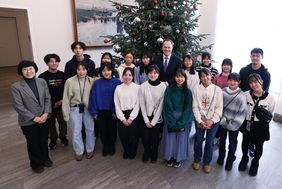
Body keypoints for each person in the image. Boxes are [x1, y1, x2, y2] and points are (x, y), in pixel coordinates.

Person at [11, 60, 53, 173]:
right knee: (33, 143)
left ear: (35, 69)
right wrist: (34, 118)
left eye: (30, 68)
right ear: (21, 71)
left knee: (43, 140)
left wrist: (46, 113)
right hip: (28, 121)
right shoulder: (16, 87)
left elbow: (47, 98)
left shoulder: (42, 81)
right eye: (25, 69)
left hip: (44, 117)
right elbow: (18, 106)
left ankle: (45, 158)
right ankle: (36, 163)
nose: (28, 71)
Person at [239, 73, 275, 176]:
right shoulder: (246, 94)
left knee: (259, 146)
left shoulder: (270, 98)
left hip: (261, 126)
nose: (253, 84)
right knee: (245, 142)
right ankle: (244, 158)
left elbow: (270, 111)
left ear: (261, 82)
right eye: (251, 82)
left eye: (256, 82)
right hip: (248, 123)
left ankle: (255, 162)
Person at [239, 48, 271, 157]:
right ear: (250, 56)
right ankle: (245, 150)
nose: (255, 58)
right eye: (253, 55)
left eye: (257, 56)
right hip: (245, 102)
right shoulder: (244, 70)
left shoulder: (266, 74)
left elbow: (265, 91)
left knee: (256, 132)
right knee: (245, 131)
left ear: (262, 57)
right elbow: (240, 86)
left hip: (257, 104)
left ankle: (252, 146)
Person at [192, 68, 223, 173]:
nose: (205, 78)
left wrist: (212, 120)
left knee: (209, 142)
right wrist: (200, 121)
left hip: (213, 121)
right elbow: (195, 107)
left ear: (211, 76)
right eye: (202, 76)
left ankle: (206, 162)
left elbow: (219, 108)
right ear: (200, 78)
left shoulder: (217, 90)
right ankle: (196, 159)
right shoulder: (196, 89)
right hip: (200, 119)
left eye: (207, 75)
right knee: (198, 140)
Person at [62, 61, 95, 161]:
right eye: (79, 69)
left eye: (84, 69)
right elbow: (66, 98)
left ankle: (90, 149)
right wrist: (66, 114)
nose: (81, 72)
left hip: (88, 108)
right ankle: (79, 151)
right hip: (74, 108)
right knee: (76, 131)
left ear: (87, 70)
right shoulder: (69, 81)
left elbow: (94, 97)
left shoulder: (91, 80)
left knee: (90, 129)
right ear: (76, 70)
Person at [160, 69, 193, 168]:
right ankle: (169, 157)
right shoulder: (169, 89)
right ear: (174, 78)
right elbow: (166, 105)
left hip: (183, 118)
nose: (180, 79)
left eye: (182, 76)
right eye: (177, 76)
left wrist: (182, 122)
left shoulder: (188, 91)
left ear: (185, 78)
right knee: (170, 139)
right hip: (170, 117)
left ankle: (178, 158)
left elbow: (188, 108)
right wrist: (171, 120)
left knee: (180, 139)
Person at [88, 64, 121, 156]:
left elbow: (119, 98)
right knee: (103, 129)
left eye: (108, 70)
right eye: (104, 71)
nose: (106, 72)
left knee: (112, 129)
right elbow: (93, 97)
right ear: (101, 72)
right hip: (101, 111)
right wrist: (94, 112)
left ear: (112, 71)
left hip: (112, 111)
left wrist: (115, 111)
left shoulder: (117, 82)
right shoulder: (97, 83)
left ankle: (112, 145)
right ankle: (105, 145)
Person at [217, 73, 246, 171]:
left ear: (239, 82)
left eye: (235, 80)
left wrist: (232, 125)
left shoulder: (242, 95)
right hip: (222, 121)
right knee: (221, 141)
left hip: (235, 125)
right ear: (227, 81)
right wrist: (223, 121)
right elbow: (219, 107)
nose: (232, 82)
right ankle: (221, 157)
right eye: (230, 80)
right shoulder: (223, 91)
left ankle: (230, 160)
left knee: (232, 143)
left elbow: (241, 113)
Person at [39, 54, 68, 149]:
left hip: (61, 104)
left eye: (56, 61)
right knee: (50, 125)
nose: (54, 63)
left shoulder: (63, 75)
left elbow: (67, 90)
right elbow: (41, 93)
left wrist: (62, 101)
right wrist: (48, 104)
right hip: (48, 106)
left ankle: (63, 137)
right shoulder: (42, 77)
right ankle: (53, 139)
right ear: (47, 63)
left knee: (63, 123)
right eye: (51, 61)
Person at [139, 65, 166, 163]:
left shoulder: (163, 87)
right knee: (145, 138)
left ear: (158, 74)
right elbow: (141, 103)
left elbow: (161, 106)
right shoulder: (143, 86)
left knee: (155, 138)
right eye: (150, 73)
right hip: (145, 115)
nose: (152, 75)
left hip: (157, 117)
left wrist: (154, 121)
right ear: (147, 74)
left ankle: (154, 152)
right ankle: (146, 152)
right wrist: (146, 120)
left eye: (155, 73)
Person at [114, 67, 140, 159]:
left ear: (132, 76)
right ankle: (126, 150)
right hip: (122, 115)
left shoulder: (137, 87)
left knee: (134, 135)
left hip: (134, 115)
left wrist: (131, 117)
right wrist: (122, 118)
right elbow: (116, 104)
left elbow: (138, 104)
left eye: (129, 75)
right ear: (122, 76)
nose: (127, 77)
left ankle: (133, 151)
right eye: (125, 75)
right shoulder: (118, 88)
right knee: (123, 136)